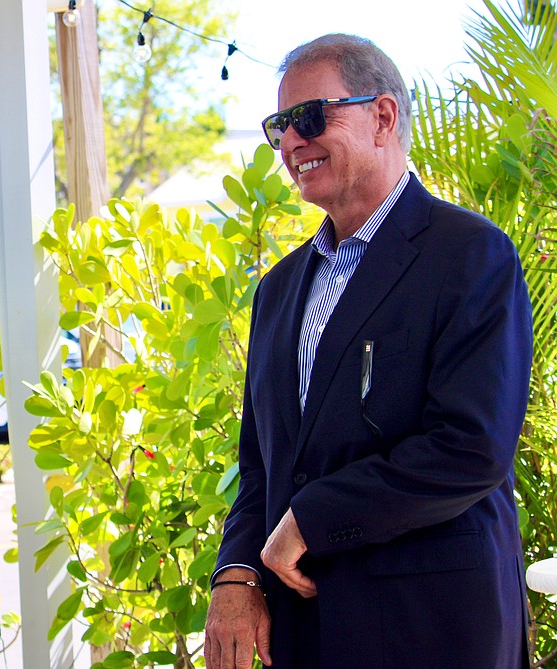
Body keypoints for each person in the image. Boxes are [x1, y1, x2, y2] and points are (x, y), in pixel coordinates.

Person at [204, 33, 532, 669]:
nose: (291, 142)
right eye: (278, 127)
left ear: (382, 117)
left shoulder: (470, 255)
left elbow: (470, 447)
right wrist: (236, 576)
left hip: (431, 630)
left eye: (309, 117)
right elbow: (262, 464)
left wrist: (309, 520)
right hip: (303, 630)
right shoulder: (277, 289)